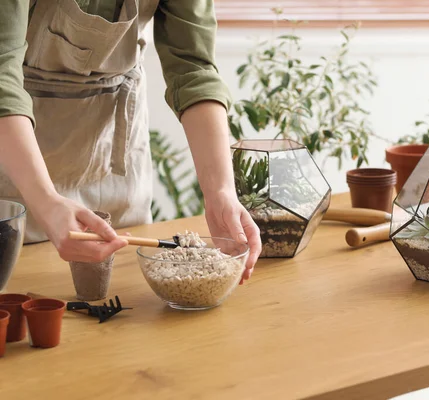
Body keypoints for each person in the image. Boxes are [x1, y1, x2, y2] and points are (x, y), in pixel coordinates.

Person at [0, 0, 261, 281]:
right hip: (15, 155)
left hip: (113, 147)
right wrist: (46, 200)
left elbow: (194, 70)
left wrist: (221, 192)